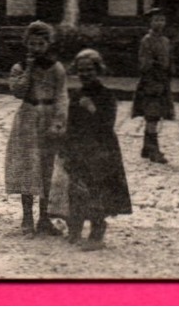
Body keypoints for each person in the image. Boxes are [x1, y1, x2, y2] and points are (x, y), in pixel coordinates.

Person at [51, 49, 133, 249]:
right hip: (79, 148)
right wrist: (65, 145)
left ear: (97, 70)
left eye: (89, 70)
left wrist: (92, 109)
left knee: (97, 191)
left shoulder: (106, 95)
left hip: (100, 150)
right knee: (77, 189)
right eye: (81, 70)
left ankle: (97, 232)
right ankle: (76, 229)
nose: (85, 74)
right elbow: (72, 124)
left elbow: (107, 124)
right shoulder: (77, 94)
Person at [5, 20, 68, 236]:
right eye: (32, 44)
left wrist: (59, 121)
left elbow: (61, 95)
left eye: (40, 44)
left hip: (48, 118)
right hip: (28, 118)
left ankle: (44, 218)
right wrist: (29, 70)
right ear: (26, 44)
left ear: (47, 44)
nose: (36, 48)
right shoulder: (19, 68)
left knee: (46, 169)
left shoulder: (56, 68)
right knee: (27, 167)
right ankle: (26, 217)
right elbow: (18, 92)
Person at [132, 10, 175, 163]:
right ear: (150, 22)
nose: (159, 23)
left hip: (162, 82)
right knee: (152, 115)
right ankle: (154, 150)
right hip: (151, 82)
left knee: (155, 116)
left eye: (162, 20)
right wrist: (157, 68)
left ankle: (146, 147)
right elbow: (144, 64)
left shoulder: (165, 41)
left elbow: (169, 60)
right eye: (156, 20)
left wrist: (169, 70)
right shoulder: (146, 40)